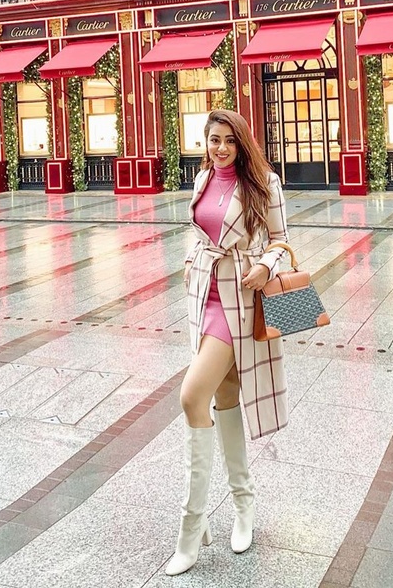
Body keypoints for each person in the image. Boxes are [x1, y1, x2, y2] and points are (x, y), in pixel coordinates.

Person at [167, 109, 289, 577]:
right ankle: (244, 503)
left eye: (229, 141)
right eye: (214, 139)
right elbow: (197, 232)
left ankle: (191, 528)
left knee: (191, 396)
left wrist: (265, 266)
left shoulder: (264, 184)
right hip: (205, 297)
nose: (221, 148)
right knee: (224, 396)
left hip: (240, 300)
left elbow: (280, 240)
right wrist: (189, 260)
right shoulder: (202, 180)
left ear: (242, 143)